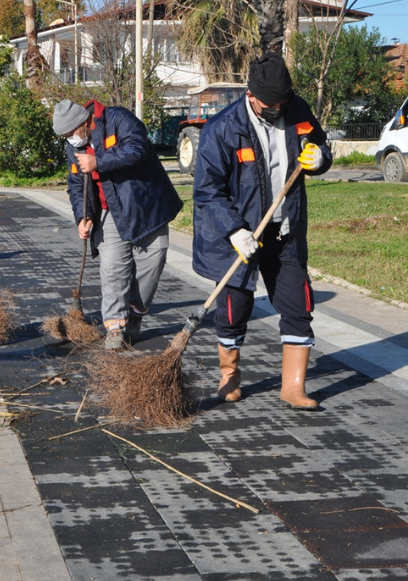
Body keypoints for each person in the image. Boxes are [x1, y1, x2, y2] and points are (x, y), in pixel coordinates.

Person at [191, 52, 332, 410]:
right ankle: (230, 377)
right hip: (240, 237)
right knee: (234, 308)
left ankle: (293, 387)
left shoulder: (297, 110)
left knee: (298, 305)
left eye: (282, 103)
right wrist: (236, 231)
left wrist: (320, 160)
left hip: (284, 231)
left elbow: (320, 145)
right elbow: (207, 192)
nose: (277, 109)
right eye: (271, 104)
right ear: (250, 96)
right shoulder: (222, 129)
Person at [52, 99, 183, 349]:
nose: (70, 140)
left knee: (154, 259)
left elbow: (137, 149)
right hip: (107, 211)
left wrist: (98, 161)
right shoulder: (74, 147)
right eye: (65, 136)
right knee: (113, 269)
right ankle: (115, 328)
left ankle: (134, 313)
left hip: (145, 205)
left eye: (70, 133)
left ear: (83, 123)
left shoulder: (119, 119)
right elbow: (77, 184)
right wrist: (83, 217)